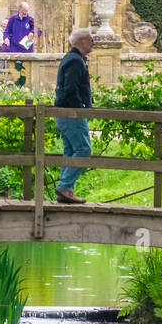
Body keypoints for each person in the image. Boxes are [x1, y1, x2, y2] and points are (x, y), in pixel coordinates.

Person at [53, 28, 95, 204]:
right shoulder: (75, 61)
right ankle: (65, 186)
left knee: (71, 151)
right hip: (71, 113)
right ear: (81, 42)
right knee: (84, 150)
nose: (93, 42)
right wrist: (81, 107)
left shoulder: (74, 59)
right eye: (90, 39)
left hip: (65, 112)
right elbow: (70, 88)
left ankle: (66, 190)